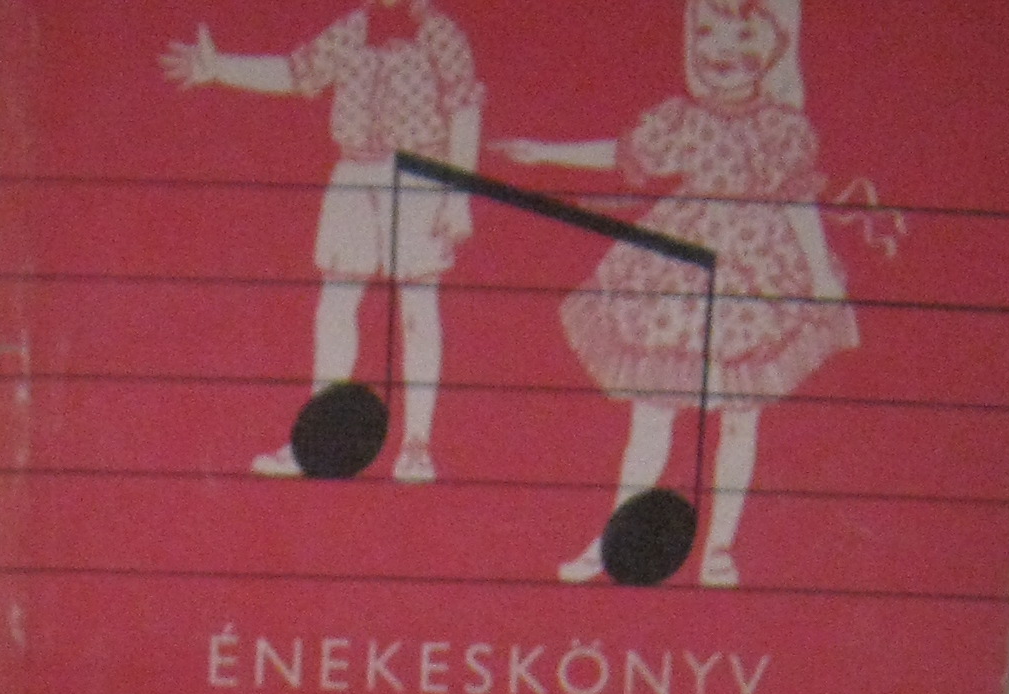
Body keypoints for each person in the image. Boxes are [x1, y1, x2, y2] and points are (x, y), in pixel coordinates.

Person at [497, 0, 858, 583]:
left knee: (740, 415)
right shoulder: (682, 119)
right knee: (652, 409)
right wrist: (547, 152)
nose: (723, 52)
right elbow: (623, 154)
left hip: (755, 274)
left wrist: (819, 279)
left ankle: (719, 548)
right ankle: (613, 541)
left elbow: (799, 204)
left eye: (743, 38)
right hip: (679, 267)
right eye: (709, 34)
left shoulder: (782, 128)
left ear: (772, 51)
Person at [165, 2, 483, 482]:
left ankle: (417, 445)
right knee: (335, 306)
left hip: (420, 174)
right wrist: (221, 68)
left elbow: (465, 112)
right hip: (354, 171)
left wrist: (458, 198)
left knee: (418, 310)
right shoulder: (353, 27)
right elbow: (298, 73)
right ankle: (316, 442)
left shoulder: (441, 33)